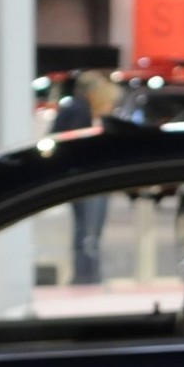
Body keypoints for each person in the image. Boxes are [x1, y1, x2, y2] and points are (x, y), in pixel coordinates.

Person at [51, 69, 121, 282]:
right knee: (89, 233)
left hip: (83, 180)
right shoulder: (79, 111)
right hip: (88, 180)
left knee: (85, 231)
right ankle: (87, 277)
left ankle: (85, 275)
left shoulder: (74, 109)